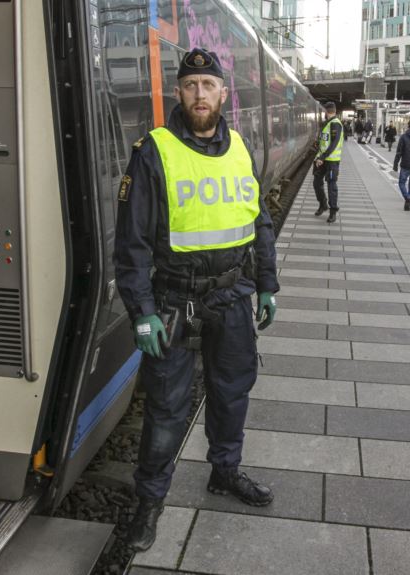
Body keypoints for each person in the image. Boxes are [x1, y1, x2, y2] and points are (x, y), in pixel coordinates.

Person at [113, 48, 280, 552]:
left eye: (208, 85)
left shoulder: (240, 150)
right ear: (179, 93)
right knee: (166, 410)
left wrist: (268, 283)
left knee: (232, 393)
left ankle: (224, 472)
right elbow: (132, 245)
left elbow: (259, 221)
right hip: (174, 301)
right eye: (190, 86)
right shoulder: (153, 151)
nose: (200, 94)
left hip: (232, 297)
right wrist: (141, 312)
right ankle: (149, 505)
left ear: (223, 93)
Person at [313, 101, 344, 223]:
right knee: (317, 183)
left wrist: (322, 157)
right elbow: (325, 142)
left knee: (331, 186)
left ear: (326, 112)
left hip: (332, 161)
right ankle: (323, 204)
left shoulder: (335, 124)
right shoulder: (327, 124)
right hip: (322, 159)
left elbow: (334, 144)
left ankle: (333, 211)